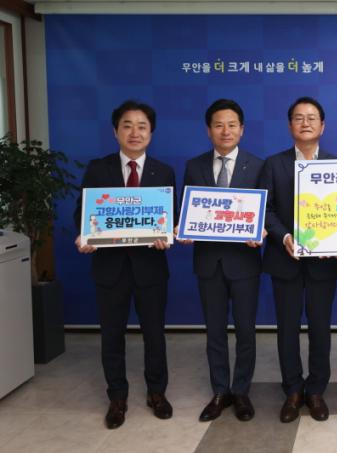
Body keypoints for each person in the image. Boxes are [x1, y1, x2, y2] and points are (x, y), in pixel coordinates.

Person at [74, 100, 176, 429]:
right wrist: (85, 235)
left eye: (142, 126)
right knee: (112, 336)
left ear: (151, 133)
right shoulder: (98, 169)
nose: (135, 132)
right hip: (110, 268)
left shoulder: (164, 172)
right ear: (115, 131)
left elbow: (169, 217)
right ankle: (117, 397)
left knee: (155, 335)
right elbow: (82, 213)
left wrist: (167, 236)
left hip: (150, 268)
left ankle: (157, 392)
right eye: (127, 126)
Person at [259, 97, 337, 423]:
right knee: (287, 328)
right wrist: (284, 237)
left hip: (323, 263)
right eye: (299, 117)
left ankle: (316, 390)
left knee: (321, 328)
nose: (306, 123)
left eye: (312, 118)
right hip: (285, 260)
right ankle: (293, 390)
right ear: (290, 126)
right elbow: (266, 209)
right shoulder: (274, 164)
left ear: (322, 126)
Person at [181, 99, 264, 422]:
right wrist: (184, 228)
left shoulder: (258, 166)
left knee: (245, 330)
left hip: (244, 263)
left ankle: (241, 390)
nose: (225, 131)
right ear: (208, 130)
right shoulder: (194, 166)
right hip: (208, 262)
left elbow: (264, 212)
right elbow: (187, 210)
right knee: (214, 331)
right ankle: (220, 390)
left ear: (242, 129)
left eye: (232, 125)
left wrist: (261, 231)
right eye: (218, 125)